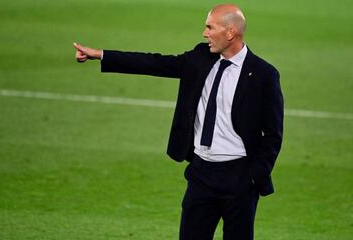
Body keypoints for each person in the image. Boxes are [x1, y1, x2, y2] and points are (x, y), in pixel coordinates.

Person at [73, 4, 283, 240]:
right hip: (201, 174)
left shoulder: (264, 74)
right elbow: (156, 63)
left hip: (240, 177)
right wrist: (102, 55)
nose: (204, 33)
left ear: (230, 32)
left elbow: (273, 134)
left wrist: (253, 176)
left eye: (210, 27)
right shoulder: (201, 57)